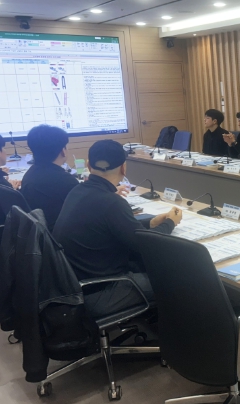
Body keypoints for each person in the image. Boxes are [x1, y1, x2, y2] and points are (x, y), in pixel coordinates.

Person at [53, 140, 183, 319]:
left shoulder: (78, 191)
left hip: (75, 283)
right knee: (179, 279)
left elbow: (119, 228)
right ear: (124, 168)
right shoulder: (112, 202)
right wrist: (170, 223)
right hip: (100, 290)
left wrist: (151, 223)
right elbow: (149, 246)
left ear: (89, 166)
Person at [19, 125, 79, 230]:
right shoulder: (66, 181)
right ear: (63, 151)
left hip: (40, 233)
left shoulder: (30, 174)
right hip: (61, 234)